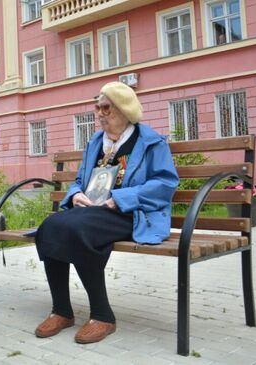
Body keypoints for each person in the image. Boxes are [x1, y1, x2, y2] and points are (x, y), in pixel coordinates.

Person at [33, 81, 179, 344]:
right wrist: (75, 194)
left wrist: (118, 199)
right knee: (50, 226)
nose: (99, 113)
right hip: (92, 212)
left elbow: (165, 184)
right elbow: (79, 179)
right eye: (97, 107)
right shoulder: (96, 143)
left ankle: (103, 315)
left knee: (80, 230)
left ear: (124, 110)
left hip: (131, 213)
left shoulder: (150, 142)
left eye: (105, 108)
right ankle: (62, 311)